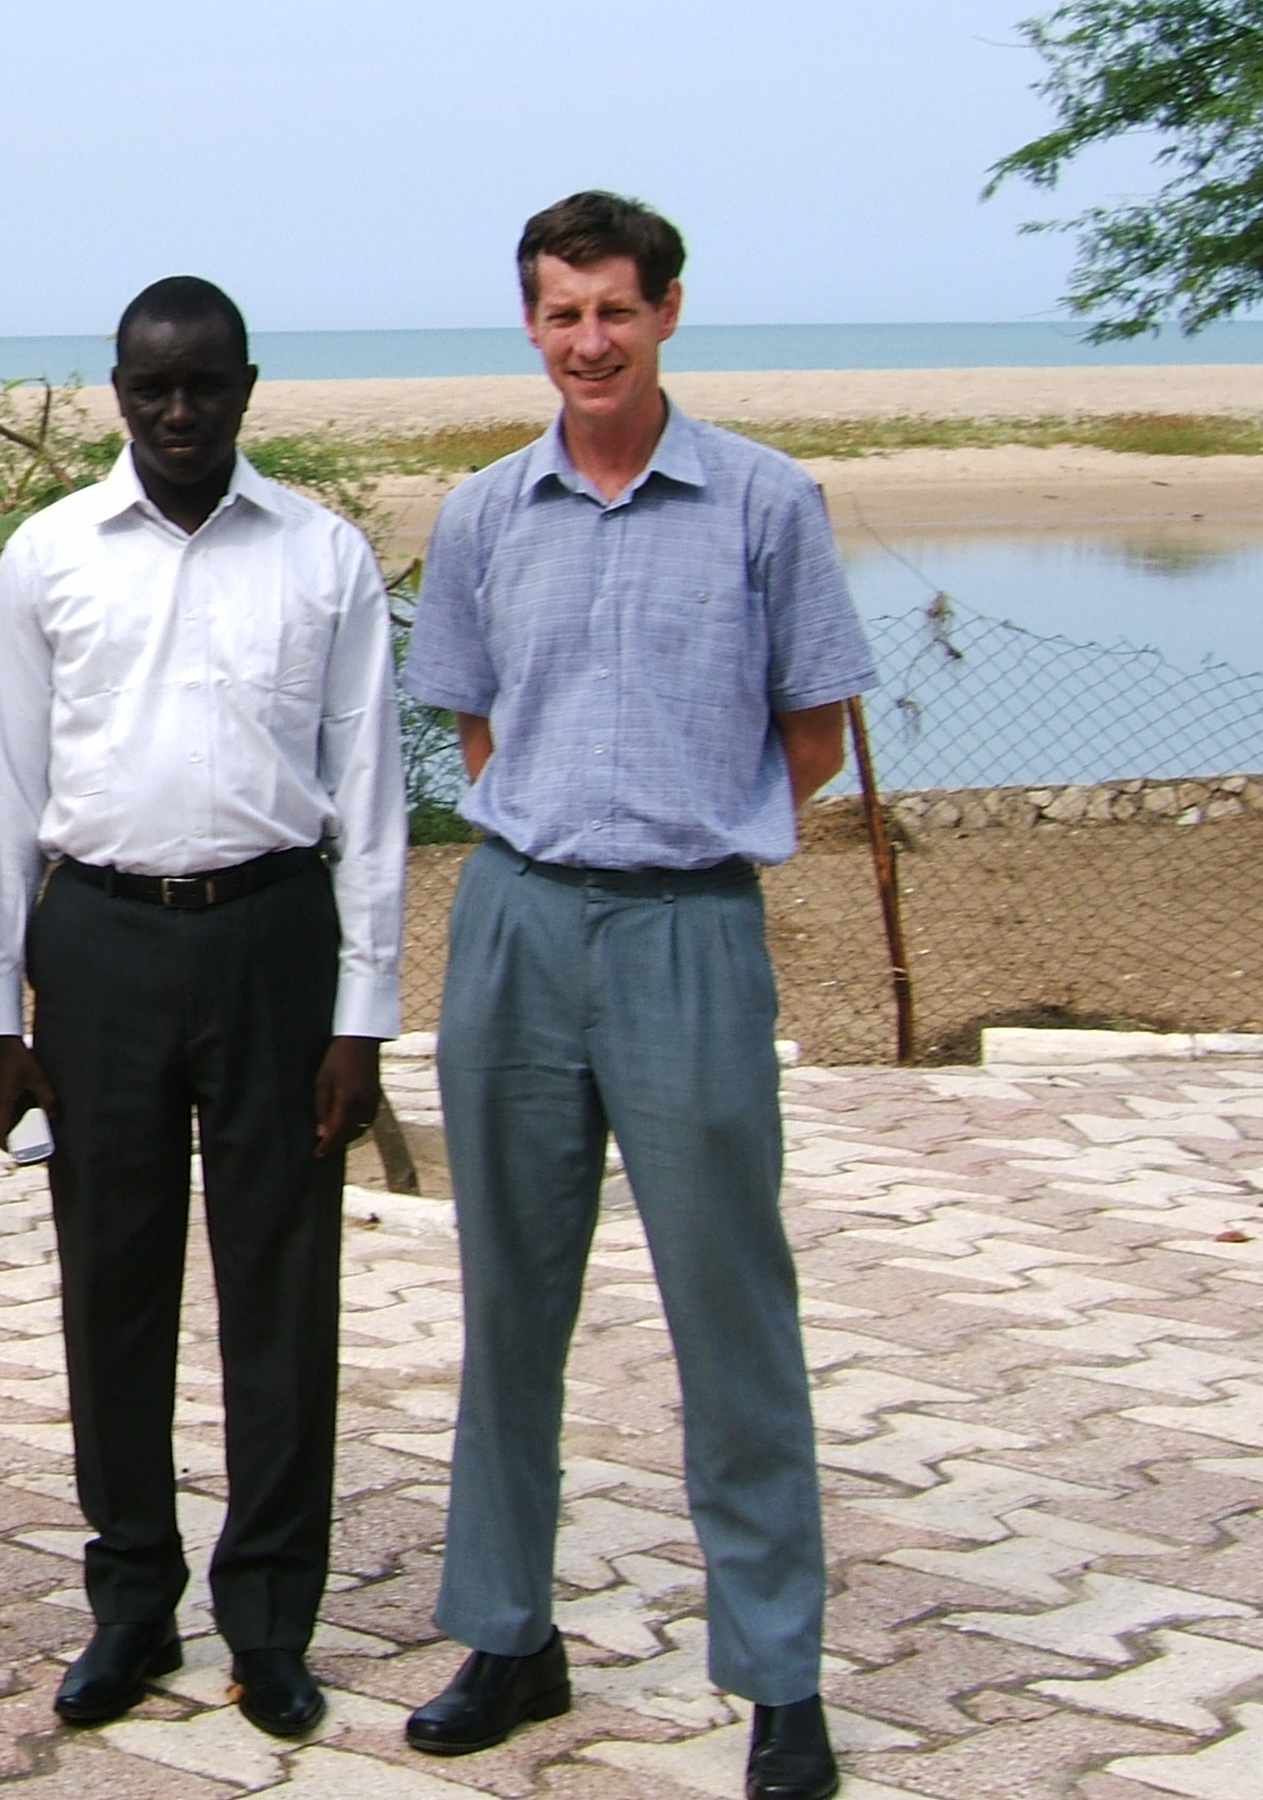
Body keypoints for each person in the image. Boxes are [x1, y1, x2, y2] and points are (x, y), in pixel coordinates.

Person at [396, 192, 869, 1800]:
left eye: (615, 308)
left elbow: (811, 729)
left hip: (689, 936)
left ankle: (779, 1672)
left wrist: (684, 827)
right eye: (559, 312)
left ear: (668, 311)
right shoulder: (480, 515)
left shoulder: (764, 502)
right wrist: (557, 846)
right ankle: (510, 1631)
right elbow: (472, 729)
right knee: (509, 1301)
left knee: (731, 1306)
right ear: (529, 326)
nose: (588, 340)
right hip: (521, 927)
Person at [0, 276, 407, 1737]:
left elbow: (373, 798)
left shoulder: (323, 557)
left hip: (276, 935)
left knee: (281, 1292)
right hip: (98, 944)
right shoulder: (47, 559)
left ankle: (271, 1619)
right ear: (115, 389)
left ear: (246, 387)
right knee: (114, 1285)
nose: (176, 411)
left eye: (202, 385)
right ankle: (131, 1606)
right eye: (150, 386)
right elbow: (9, 793)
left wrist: (365, 1016)